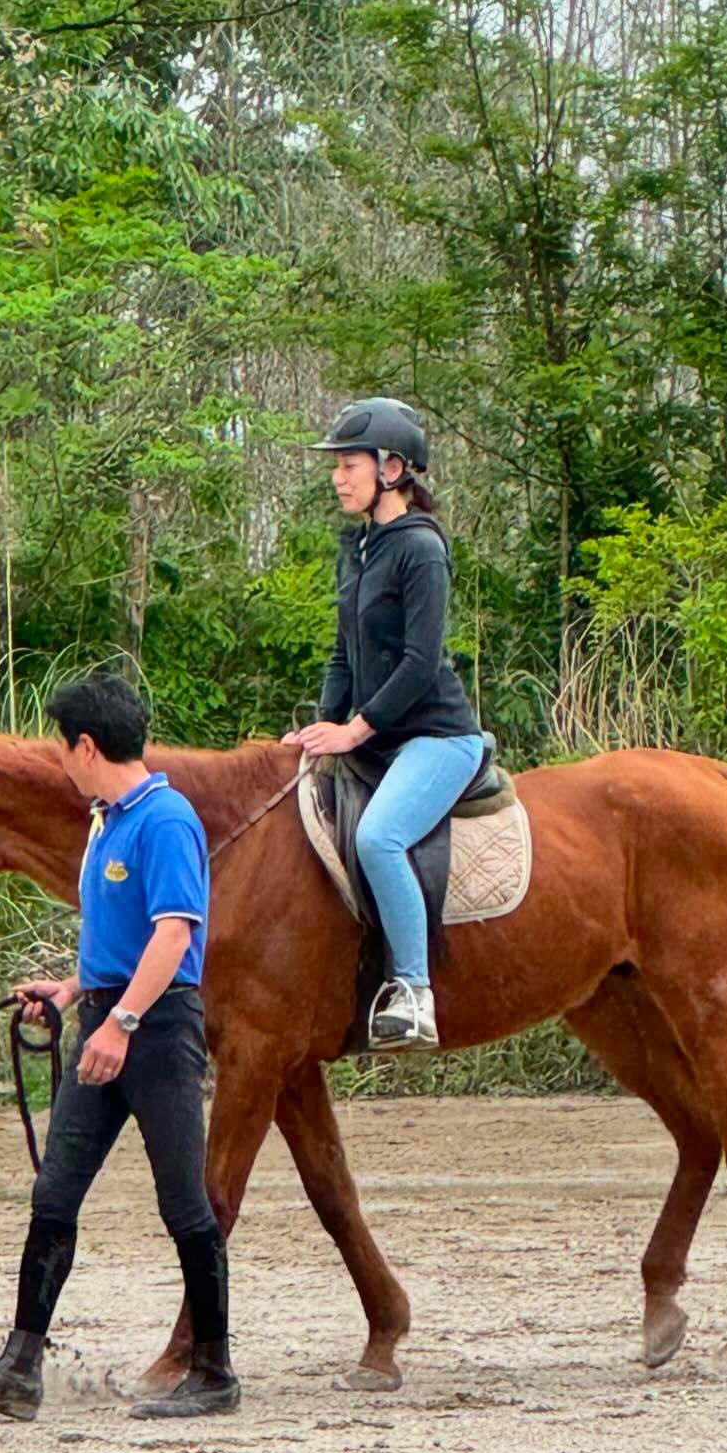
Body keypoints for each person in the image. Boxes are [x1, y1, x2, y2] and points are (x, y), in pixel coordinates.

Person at [0, 674, 239, 1422]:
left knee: (184, 1204)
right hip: (108, 1016)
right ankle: (19, 1363)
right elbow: (131, 937)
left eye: (63, 747)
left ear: (87, 746)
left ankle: (215, 1372)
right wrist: (73, 990)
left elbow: (175, 935)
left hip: (157, 1032)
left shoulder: (164, 821)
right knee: (55, 1192)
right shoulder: (108, 819)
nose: (62, 762)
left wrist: (122, 1023)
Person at [283, 397, 487, 1051]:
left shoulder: (420, 550)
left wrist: (356, 730)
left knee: (377, 839)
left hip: (435, 739)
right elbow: (346, 652)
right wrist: (319, 730)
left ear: (392, 468)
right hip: (380, 738)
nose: (338, 478)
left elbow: (421, 663)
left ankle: (414, 991)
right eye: (336, 467)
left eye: (349, 465)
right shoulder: (360, 548)